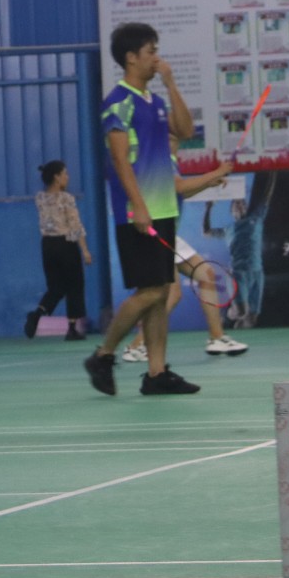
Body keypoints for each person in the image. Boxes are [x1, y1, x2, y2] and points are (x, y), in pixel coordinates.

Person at [83, 22, 200, 398]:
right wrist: (138, 206)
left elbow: (186, 131)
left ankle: (156, 373)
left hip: (164, 208)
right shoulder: (118, 102)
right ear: (131, 58)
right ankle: (103, 354)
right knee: (149, 292)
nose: (157, 58)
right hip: (138, 211)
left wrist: (171, 83)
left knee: (161, 291)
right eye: (151, 52)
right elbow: (119, 160)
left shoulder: (156, 101)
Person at [121, 157, 247, 359]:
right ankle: (137, 345)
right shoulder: (160, 155)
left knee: (206, 275)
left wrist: (207, 183)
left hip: (168, 232)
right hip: (154, 230)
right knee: (171, 292)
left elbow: (180, 191)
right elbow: (179, 186)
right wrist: (216, 172)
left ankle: (217, 338)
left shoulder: (170, 158)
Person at [22, 161, 92, 341]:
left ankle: (37, 314)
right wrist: (84, 250)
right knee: (74, 285)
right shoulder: (66, 198)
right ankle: (72, 328)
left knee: (56, 287)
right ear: (57, 177)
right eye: (65, 174)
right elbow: (75, 226)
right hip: (65, 244)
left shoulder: (40, 198)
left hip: (47, 245)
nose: (68, 177)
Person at [205, 172, 275, 329]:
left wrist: (272, 174)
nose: (239, 206)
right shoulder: (228, 229)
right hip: (238, 273)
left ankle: (240, 330)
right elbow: (206, 232)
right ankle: (229, 314)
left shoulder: (256, 218)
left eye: (242, 204)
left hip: (257, 272)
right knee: (242, 312)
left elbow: (266, 197)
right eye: (236, 205)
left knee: (252, 317)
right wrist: (208, 209)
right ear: (232, 211)